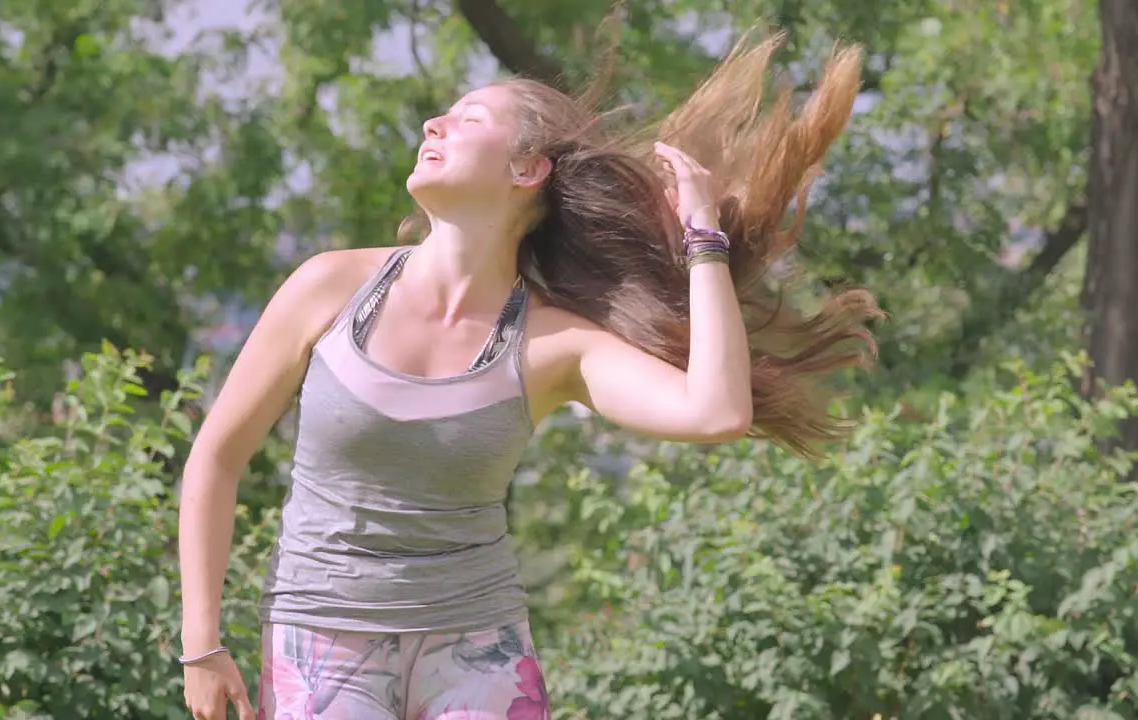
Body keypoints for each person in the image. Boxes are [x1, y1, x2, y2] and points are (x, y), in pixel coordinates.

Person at [177, 31, 879, 720]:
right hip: (321, 637)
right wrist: (201, 645)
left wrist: (704, 238)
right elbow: (216, 457)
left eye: (469, 117)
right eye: (444, 115)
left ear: (527, 170)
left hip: (478, 647)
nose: (435, 122)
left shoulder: (552, 343)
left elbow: (715, 411)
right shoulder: (327, 288)